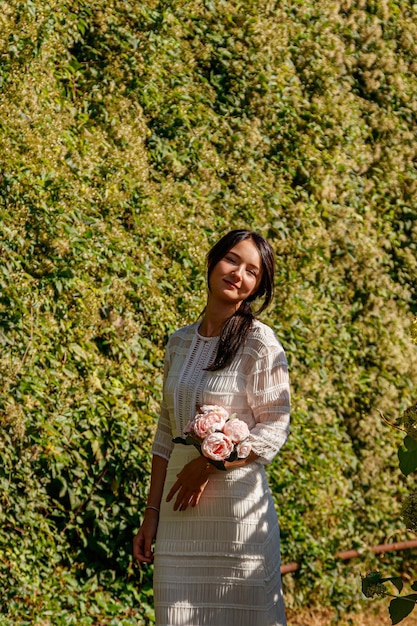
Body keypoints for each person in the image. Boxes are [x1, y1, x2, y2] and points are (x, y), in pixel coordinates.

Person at [133, 229, 290, 626]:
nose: (238, 273)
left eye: (252, 271)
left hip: (237, 517)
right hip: (177, 514)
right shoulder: (178, 342)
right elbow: (165, 434)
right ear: (213, 260)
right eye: (232, 260)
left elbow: (275, 427)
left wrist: (208, 465)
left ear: (257, 287)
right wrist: (151, 514)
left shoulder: (260, 342)